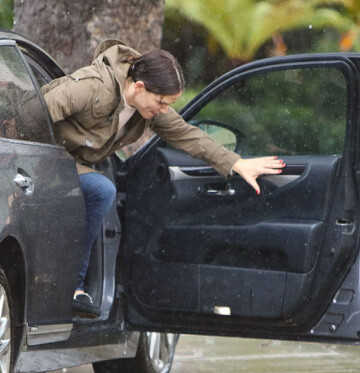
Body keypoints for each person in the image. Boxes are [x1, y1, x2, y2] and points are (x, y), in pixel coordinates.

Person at [41, 39, 285, 317]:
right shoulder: (93, 86)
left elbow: (186, 134)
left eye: (168, 104)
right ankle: (73, 286)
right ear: (140, 87)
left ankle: (69, 285)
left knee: (100, 189)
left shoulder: (147, 109)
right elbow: (36, 110)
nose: (163, 110)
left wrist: (237, 163)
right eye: (161, 102)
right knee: (101, 190)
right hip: (43, 160)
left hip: (71, 166)